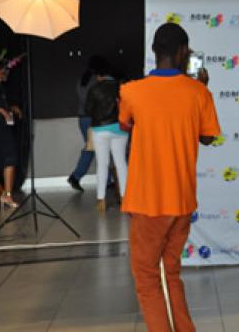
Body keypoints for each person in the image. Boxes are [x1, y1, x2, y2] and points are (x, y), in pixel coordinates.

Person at [119, 23, 220, 332]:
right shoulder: (198, 92)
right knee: (171, 273)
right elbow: (207, 138)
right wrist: (203, 88)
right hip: (182, 201)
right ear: (184, 52)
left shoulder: (131, 91)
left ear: (154, 51)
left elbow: (125, 124)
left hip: (147, 202)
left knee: (147, 279)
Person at [85, 62, 128, 211]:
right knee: (121, 163)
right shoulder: (122, 87)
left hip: (100, 129)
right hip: (120, 128)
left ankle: (101, 200)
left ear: (99, 75)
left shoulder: (94, 88)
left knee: (102, 164)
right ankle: (125, 198)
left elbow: (88, 110)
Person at [68, 55, 108, 192]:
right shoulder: (97, 81)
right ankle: (75, 177)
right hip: (93, 118)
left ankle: (78, 177)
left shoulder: (83, 79)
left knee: (93, 148)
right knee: (96, 148)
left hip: (83, 119)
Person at [0, 57, 23, 208]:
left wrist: (11, 108)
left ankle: (7, 194)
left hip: (4, 128)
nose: (4, 73)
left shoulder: (0, 87)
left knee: (11, 158)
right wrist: (0, 110)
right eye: (1, 71)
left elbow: (2, 104)